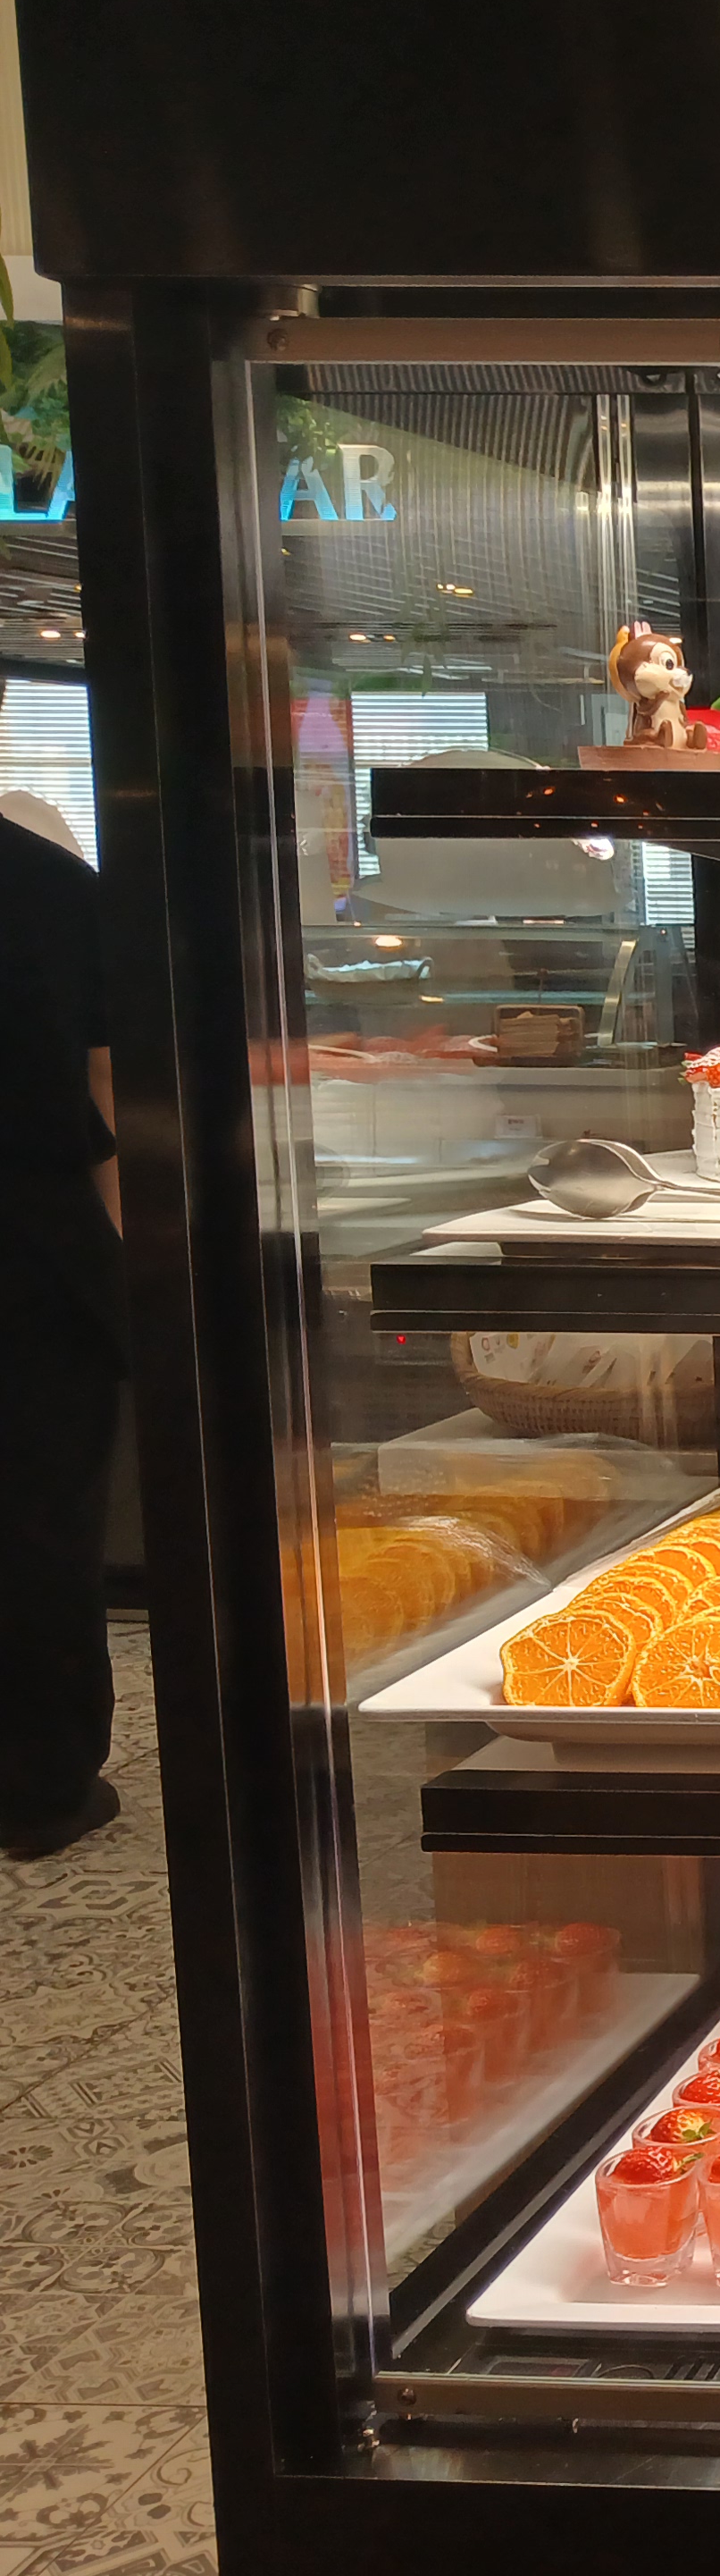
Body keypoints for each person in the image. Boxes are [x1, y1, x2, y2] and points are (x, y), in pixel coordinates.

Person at [0, 786, 122, 1858]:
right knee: (39, 1516)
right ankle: (41, 1787)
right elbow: (113, 1084)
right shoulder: (50, 887)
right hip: (34, 1240)